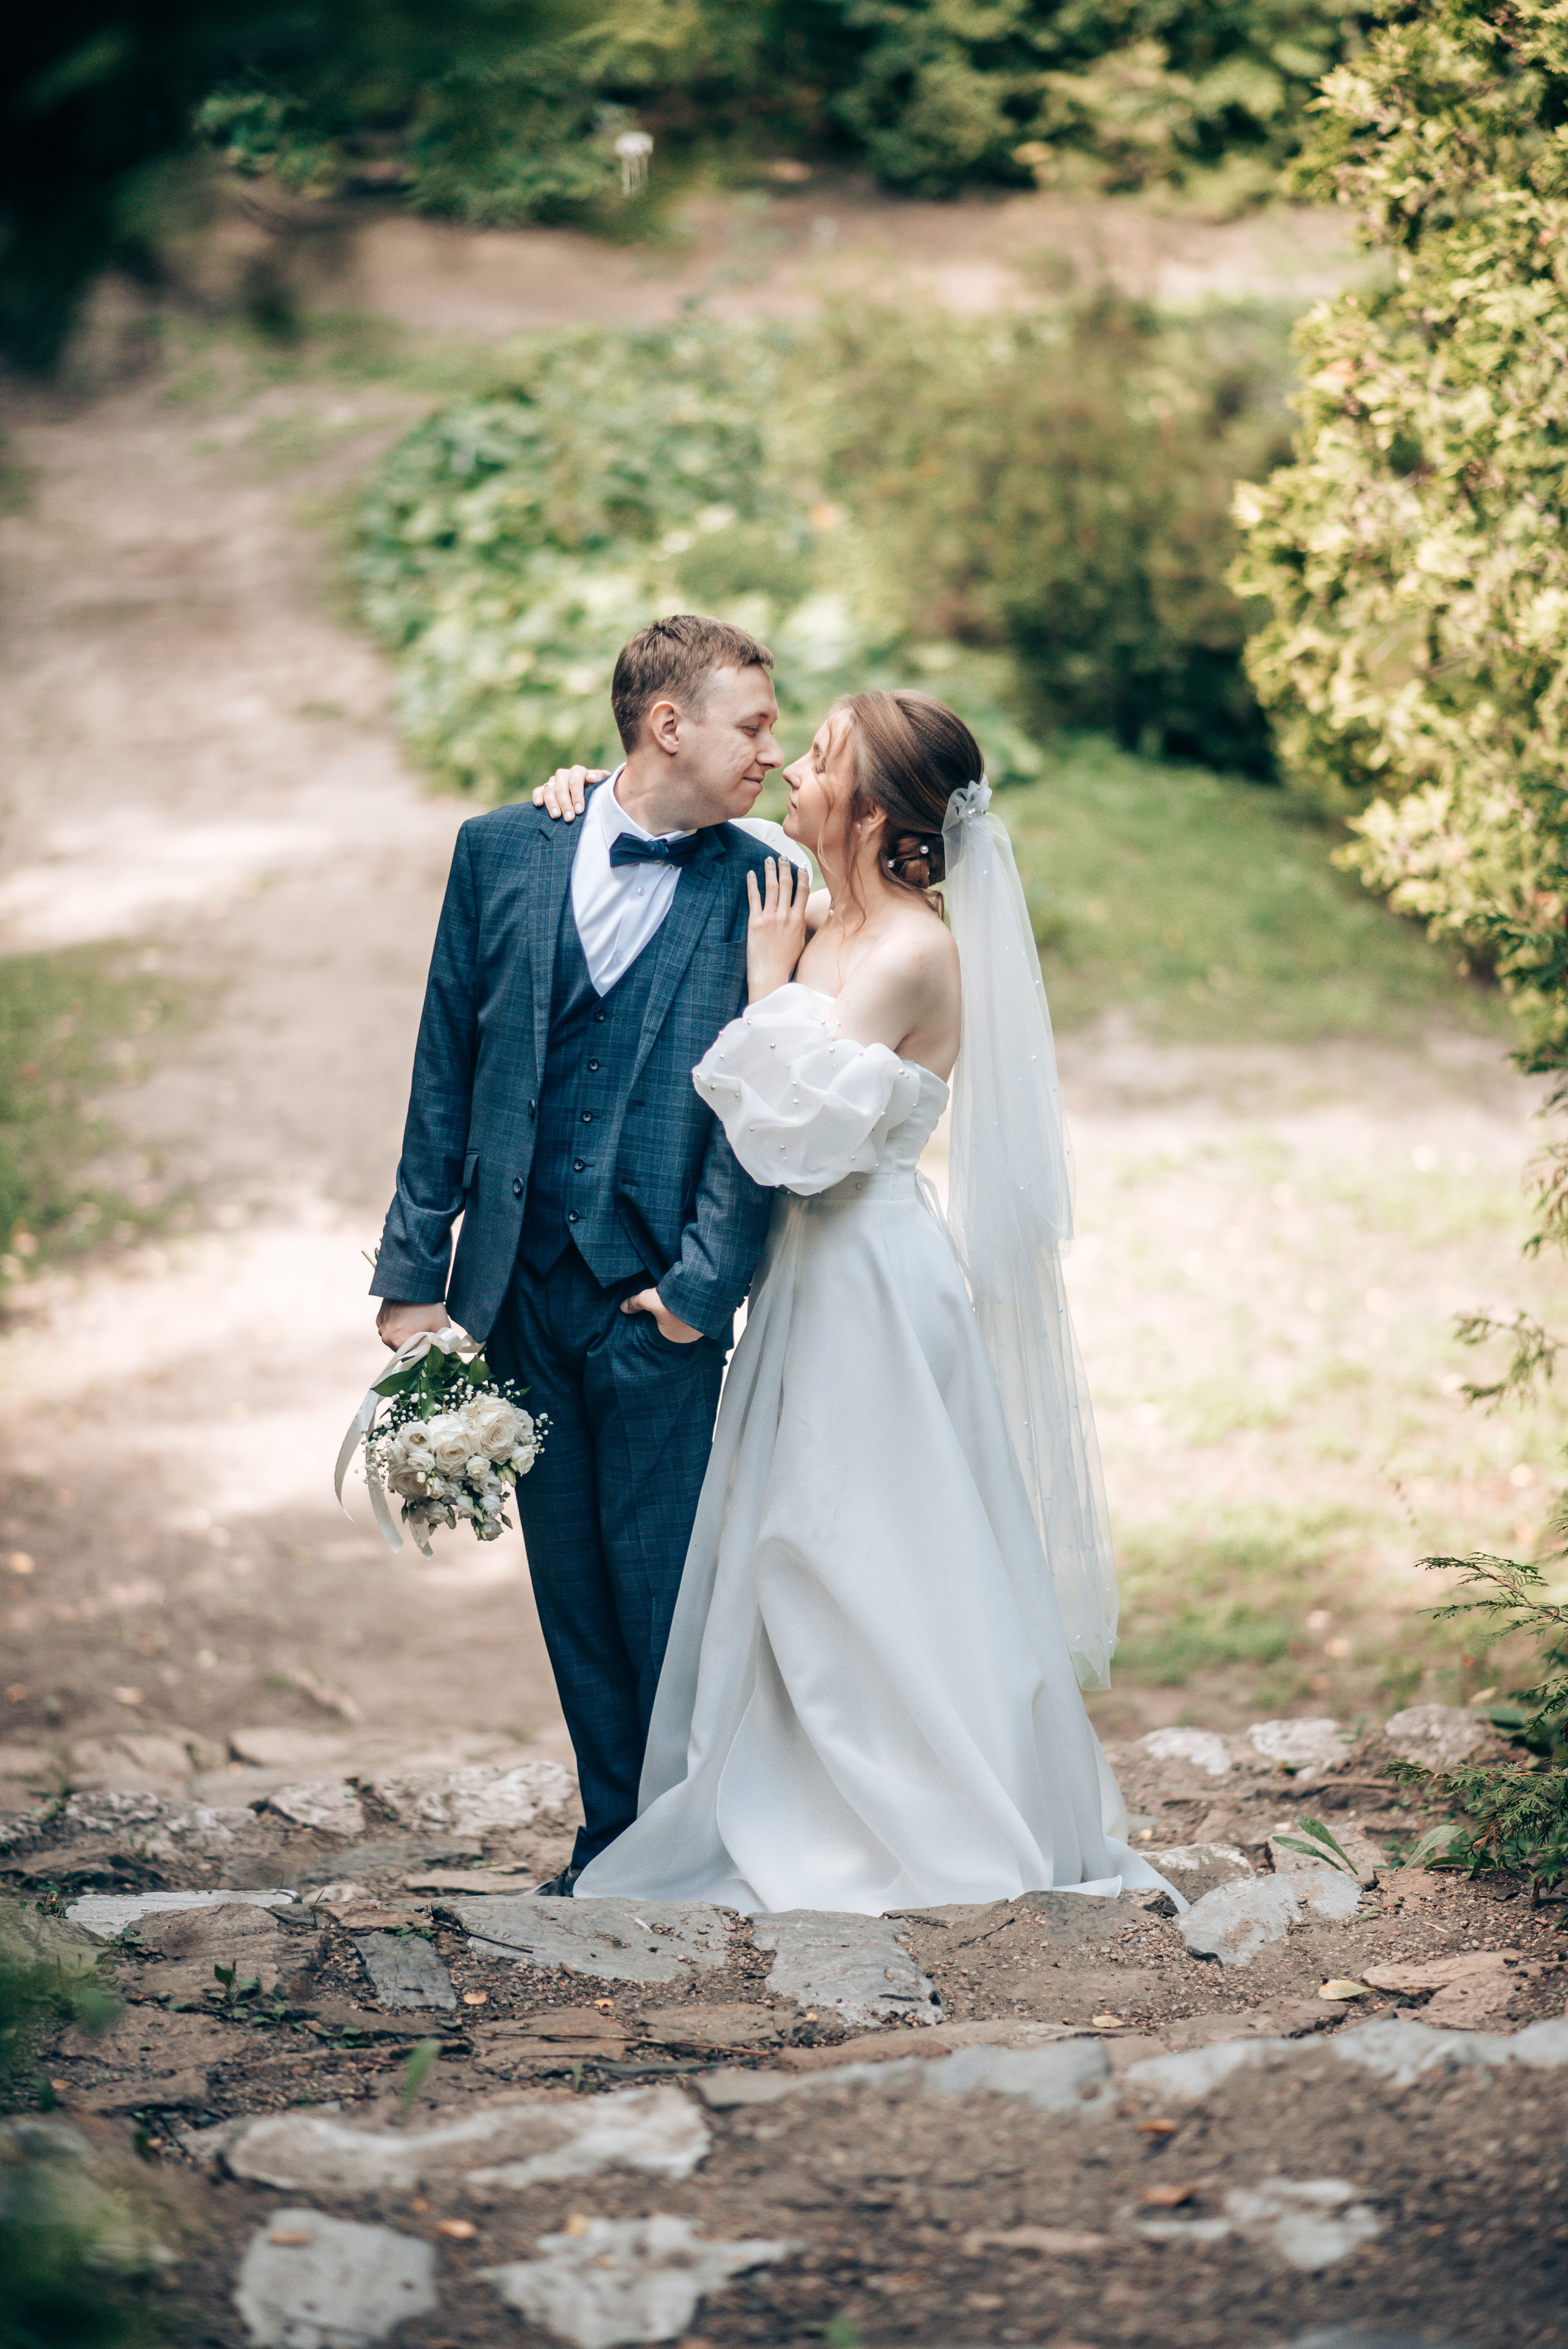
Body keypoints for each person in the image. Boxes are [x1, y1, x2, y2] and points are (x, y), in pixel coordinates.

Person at [535, 690, 1174, 1914]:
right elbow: (665, 818)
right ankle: (800, 1786)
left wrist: (763, 983)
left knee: (855, 1540)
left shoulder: (911, 953)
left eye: (818, 761)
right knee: (790, 1534)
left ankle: (905, 1813)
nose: (791, 772)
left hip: (870, 1281)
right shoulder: (821, 912)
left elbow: (795, 1141)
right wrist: (578, 789)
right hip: (807, 1278)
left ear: (873, 812)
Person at [370, 615, 807, 1896]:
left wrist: (698, 1289)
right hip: (514, 1286)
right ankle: (613, 1840)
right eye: (752, 726)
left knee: (664, 1581)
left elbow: (760, 1097)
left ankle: (688, 1845)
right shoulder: (502, 848)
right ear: (668, 724)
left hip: (657, 1296)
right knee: (566, 1582)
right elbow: (446, 1061)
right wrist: (412, 1277)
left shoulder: (769, 885)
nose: (771, 754)